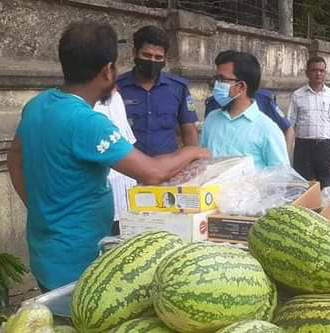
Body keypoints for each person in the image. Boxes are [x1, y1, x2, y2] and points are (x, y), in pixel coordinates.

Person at [7, 22, 209, 291]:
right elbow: (152, 171)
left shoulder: (37, 105)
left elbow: (14, 159)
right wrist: (193, 151)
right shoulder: (88, 123)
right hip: (78, 262)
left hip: (45, 251)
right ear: (107, 71)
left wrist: (38, 208)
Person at [117, 25, 198, 157]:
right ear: (134, 53)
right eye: (147, 55)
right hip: (129, 171)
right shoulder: (116, 88)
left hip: (169, 170)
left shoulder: (178, 88)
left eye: (158, 57)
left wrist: (193, 161)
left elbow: (189, 131)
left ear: (165, 59)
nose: (152, 61)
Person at [200, 51, 289, 168]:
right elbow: (203, 161)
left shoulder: (267, 130)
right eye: (216, 79)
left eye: (221, 80)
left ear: (241, 87)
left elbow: (280, 178)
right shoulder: (211, 119)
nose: (216, 84)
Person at [288, 56, 330, 188]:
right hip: (303, 148)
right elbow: (289, 125)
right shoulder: (297, 95)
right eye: (314, 70)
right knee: (302, 187)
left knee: (326, 187)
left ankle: (326, 209)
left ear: (325, 73)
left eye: (321, 71)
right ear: (307, 73)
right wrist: (287, 152)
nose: (318, 73)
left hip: (325, 147)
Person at [94, 89, 137, 235]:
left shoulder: (116, 98)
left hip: (126, 202)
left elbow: (128, 142)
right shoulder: (84, 112)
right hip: (101, 206)